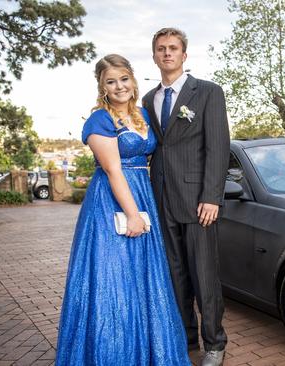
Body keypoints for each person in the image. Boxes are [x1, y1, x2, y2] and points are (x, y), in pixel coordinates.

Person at [55, 54, 190, 366]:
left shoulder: (143, 114)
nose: (119, 86)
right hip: (112, 202)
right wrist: (132, 214)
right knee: (113, 279)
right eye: (110, 82)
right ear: (102, 88)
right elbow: (114, 171)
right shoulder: (99, 120)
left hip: (142, 196)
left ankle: (149, 352)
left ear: (133, 80)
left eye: (123, 79)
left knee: (144, 276)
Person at [142, 28, 230, 366]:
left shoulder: (207, 92)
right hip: (161, 199)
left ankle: (215, 343)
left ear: (184, 55)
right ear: (154, 56)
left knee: (204, 276)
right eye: (161, 49)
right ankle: (186, 335)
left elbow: (218, 147)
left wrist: (212, 197)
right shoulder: (149, 99)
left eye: (173, 48)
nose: (167, 54)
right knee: (175, 275)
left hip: (198, 203)